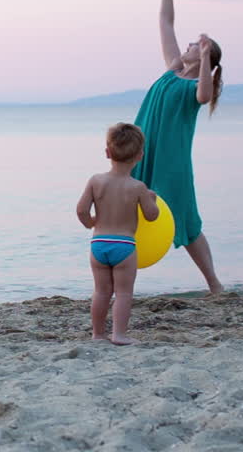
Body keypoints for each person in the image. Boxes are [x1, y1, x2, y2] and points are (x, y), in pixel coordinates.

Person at [132, 0, 226, 296]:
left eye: (195, 46)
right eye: (191, 44)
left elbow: (203, 96)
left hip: (172, 163)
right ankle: (121, 284)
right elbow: (166, 22)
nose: (187, 46)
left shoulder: (196, 86)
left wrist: (205, 58)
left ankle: (215, 285)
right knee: (129, 214)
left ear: (204, 59)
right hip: (142, 154)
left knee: (186, 222)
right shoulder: (172, 69)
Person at [76, 123, 159, 345]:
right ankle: (119, 334)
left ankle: (97, 334)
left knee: (101, 291)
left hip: (99, 243)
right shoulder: (138, 187)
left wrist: (91, 223)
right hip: (124, 245)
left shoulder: (95, 181)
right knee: (123, 293)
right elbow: (151, 216)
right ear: (140, 156)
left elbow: (81, 210)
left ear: (107, 152)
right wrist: (152, 200)